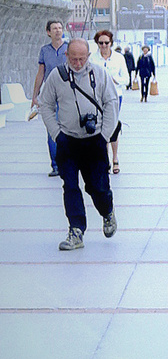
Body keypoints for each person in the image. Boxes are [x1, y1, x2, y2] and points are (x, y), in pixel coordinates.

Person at [38, 38, 119, 250]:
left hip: (94, 142)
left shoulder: (100, 74)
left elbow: (111, 103)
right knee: (70, 187)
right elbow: (45, 104)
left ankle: (107, 212)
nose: (77, 63)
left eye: (81, 58)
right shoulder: (57, 76)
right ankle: (76, 230)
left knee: (97, 187)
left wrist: (105, 135)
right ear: (66, 56)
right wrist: (56, 133)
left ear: (88, 57)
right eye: (73, 58)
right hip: (68, 141)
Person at [31, 19, 68, 176]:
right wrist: (35, 96)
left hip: (68, 94)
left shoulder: (69, 48)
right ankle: (56, 165)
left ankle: (69, 162)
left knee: (69, 129)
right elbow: (41, 73)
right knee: (52, 130)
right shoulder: (44, 51)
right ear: (48, 32)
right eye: (54, 28)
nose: (58, 31)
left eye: (60, 28)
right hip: (50, 95)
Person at [91, 30, 126, 173]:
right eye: (101, 43)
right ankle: (104, 158)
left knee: (113, 126)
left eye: (107, 42)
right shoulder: (92, 59)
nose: (104, 46)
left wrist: (114, 80)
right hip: (98, 97)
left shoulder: (119, 58)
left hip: (115, 96)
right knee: (101, 127)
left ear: (111, 43)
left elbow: (126, 79)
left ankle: (115, 157)